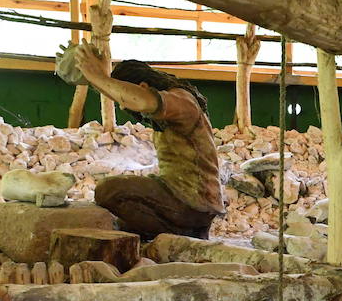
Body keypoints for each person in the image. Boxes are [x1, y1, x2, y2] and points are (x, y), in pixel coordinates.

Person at [56, 41, 225, 238]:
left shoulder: (181, 101)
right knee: (124, 221)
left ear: (143, 86)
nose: (123, 106)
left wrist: (97, 76)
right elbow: (128, 97)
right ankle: (185, 231)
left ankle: (181, 232)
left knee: (109, 191)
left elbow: (141, 100)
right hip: (186, 198)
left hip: (191, 202)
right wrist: (96, 78)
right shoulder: (173, 104)